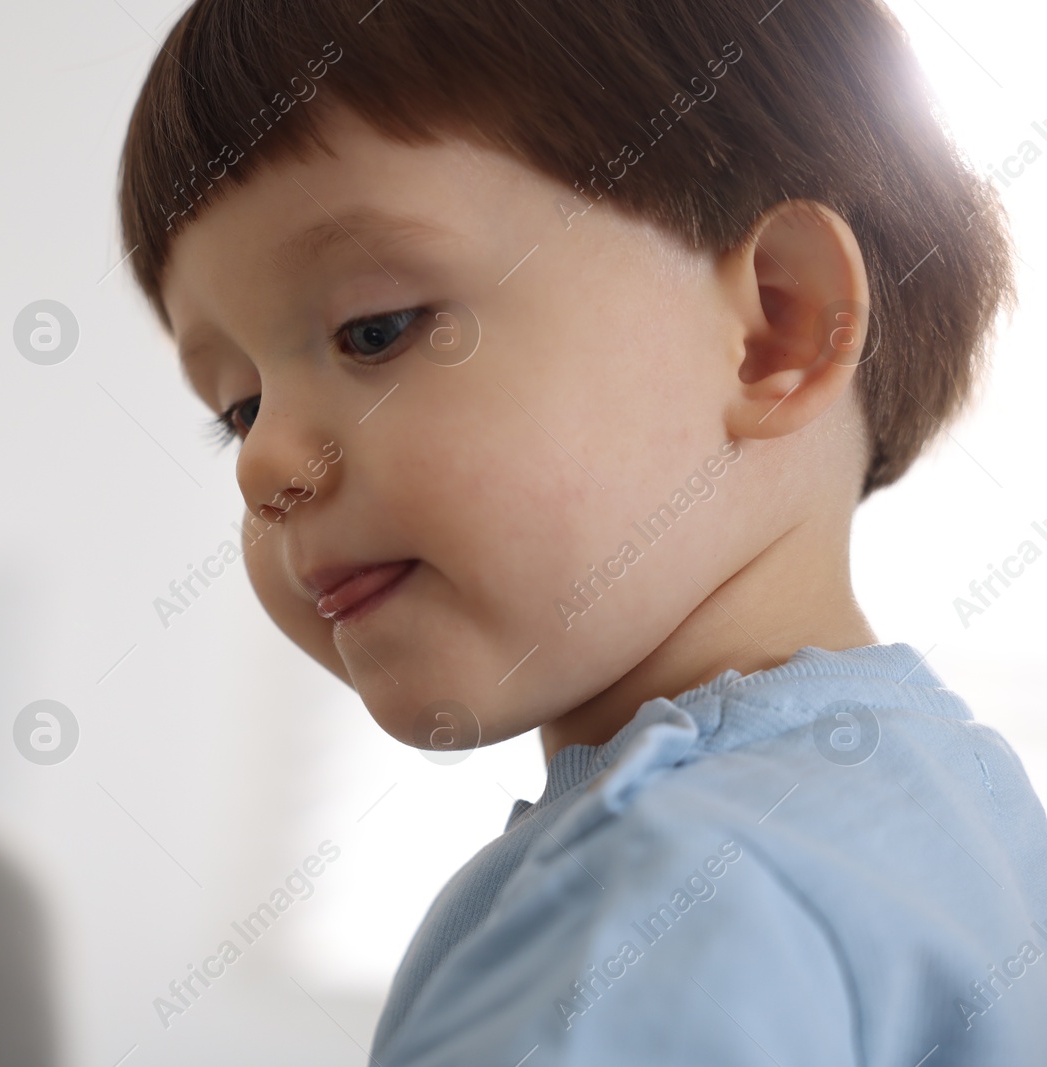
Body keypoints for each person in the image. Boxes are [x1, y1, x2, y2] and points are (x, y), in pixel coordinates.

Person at [116, 0, 1047, 1061]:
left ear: (773, 325)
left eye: (374, 330)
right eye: (237, 406)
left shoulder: (659, 899)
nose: (265, 464)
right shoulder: (962, 810)